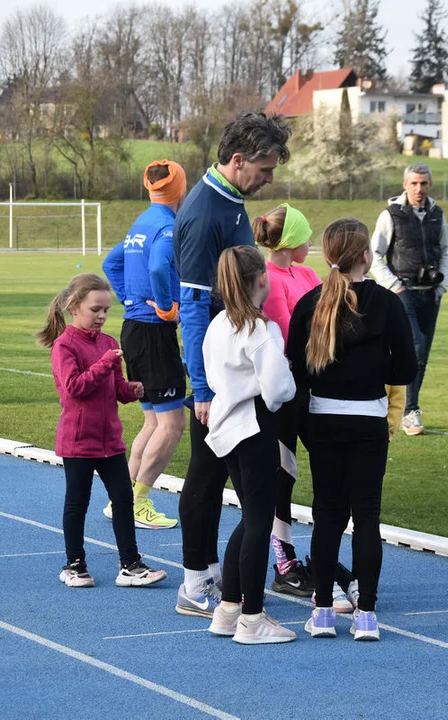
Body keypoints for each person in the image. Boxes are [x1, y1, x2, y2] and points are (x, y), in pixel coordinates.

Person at [173, 111, 292, 618]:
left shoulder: (230, 201)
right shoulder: (204, 213)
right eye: (264, 168)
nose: (270, 178)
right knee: (206, 475)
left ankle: (231, 578)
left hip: (237, 367)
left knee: (228, 477)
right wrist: (201, 388)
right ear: (238, 159)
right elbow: (194, 305)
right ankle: (197, 580)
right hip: (223, 376)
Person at [286, 218, 417, 641]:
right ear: (366, 255)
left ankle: (323, 610)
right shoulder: (385, 303)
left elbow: (296, 368)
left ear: (327, 256)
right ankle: (367, 616)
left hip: (322, 422)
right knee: (366, 518)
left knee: (326, 517)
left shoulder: (310, 303)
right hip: (368, 422)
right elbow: (406, 367)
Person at [36, 272, 169, 588]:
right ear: (74, 306)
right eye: (95, 309)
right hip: (79, 440)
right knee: (77, 503)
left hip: (111, 440)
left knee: (124, 499)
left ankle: (130, 564)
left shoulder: (109, 343)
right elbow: (74, 389)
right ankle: (75, 564)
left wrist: (131, 390)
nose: (101, 316)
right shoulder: (64, 346)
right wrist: (104, 365)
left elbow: (116, 389)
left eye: (106, 310)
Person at [203, 246, 297, 644]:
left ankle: (228, 610)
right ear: (262, 278)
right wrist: (286, 380)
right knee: (260, 521)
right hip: (255, 427)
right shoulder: (261, 328)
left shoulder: (219, 324)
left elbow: (211, 376)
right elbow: (278, 388)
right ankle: (253, 617)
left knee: (250, 517)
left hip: (228, 430)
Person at [101, 160, 187, 530]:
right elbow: (157, 268)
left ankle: (119, 501)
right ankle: (138, 502)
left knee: (152, 421)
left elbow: (111, 262)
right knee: (172, 424)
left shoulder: (141, 223)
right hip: (154, 333)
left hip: (133, 327)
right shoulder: (167, 227)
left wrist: (128, 298)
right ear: (180, 189)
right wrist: (168, 308)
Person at [253, 203, 318, 596]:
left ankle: (315, 558)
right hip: (286, 391)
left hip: (313, 385)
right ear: (291, 240)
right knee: (284, 473)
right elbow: (289, 331)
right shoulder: (270, 280)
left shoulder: (307, 272)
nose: (312, 242)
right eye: (307, 236)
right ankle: (284, 562)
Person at [370, 162, 448, 436]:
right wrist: (394, 285)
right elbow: (374, 254)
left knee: (422, 355)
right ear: (405, 185)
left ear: (430, 184)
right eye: (414, 183)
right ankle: (408, 410)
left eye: (424, 183)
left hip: (430, 295)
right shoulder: (391, 215)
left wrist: (443, 287)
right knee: (414, 348)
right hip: (403, 293)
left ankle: (407, 408)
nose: (419, 188)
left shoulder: (437, 214)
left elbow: (445, 251)